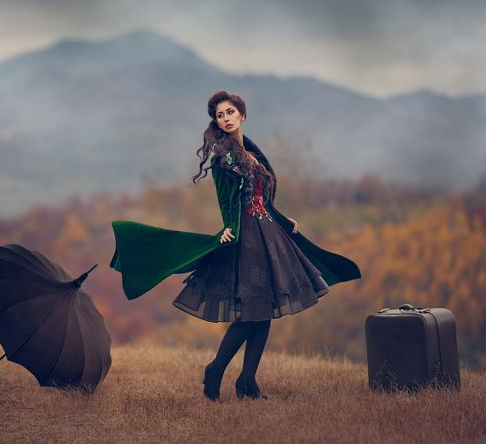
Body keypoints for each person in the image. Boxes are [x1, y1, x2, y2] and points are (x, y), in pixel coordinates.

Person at [109, 90, 361, 401]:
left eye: (230, 112)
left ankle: (247, 382)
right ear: (216, 121)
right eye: (219, 115)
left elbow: (261, 199)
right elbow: (227, 202)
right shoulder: (224, 158)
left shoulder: (250, 152)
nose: (225, 119)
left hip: (268, 234)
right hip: (246, 238)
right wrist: (228, 229)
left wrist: (282, 219)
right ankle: (215, 369)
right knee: (250, 315)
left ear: (242, 114)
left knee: (265, 310)